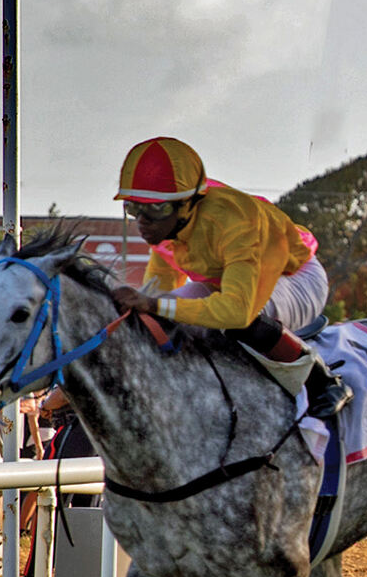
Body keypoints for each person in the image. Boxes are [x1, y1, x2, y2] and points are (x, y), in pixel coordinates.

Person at [106, 136, 349, 420]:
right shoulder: (166, 227)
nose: (143, 221)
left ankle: (323, 381)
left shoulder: (234, 219)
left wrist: (155, 305)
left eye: (155, 208)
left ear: (189, 204)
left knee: (235, 324)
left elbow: (237, 312)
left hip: (297, 277)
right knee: (157, 319)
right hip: (227, 282)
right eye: (135, 208)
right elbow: (155, 297)